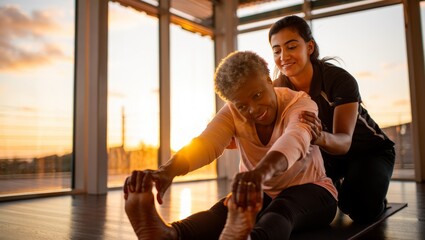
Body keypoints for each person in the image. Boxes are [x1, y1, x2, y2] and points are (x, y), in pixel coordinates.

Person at [123, 50, 338, 240]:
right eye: (242, 105)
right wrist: (167, 171)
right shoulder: (232, 112)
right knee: (222, 211)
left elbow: (294, 140)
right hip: (263, 191)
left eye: (257, 95)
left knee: (283, 208)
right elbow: (207, 143)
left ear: (269, 80)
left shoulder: (300, 103)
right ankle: (170, 234)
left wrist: (260, 174)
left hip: (314, 191)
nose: (253, 109)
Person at [269, 15, 395, 223]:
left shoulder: (338, 79)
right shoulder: (278, 90)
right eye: (277, 50)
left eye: (291, 47)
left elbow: (344, 142)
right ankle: (340, 184)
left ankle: (371, 191)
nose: (283, 56)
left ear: (309, 47)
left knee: (357, 208)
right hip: (326, 157)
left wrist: (318, 136)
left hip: (367, 152)